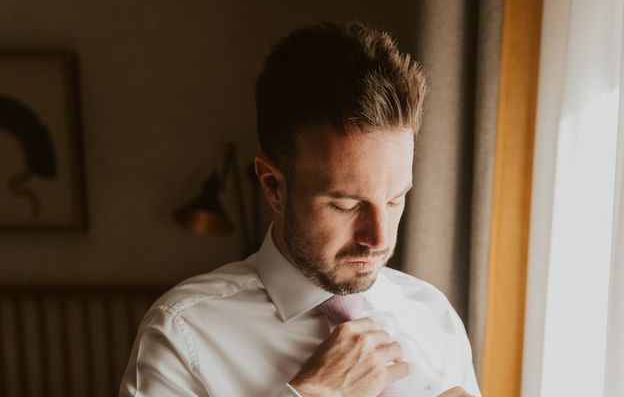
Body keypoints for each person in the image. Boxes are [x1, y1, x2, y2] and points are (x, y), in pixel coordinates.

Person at [120, 22, 481, 397]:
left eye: (394, 200)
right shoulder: (183, 333)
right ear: (273, 186)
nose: (379, 238)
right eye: (345, 204)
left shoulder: (431, 314)